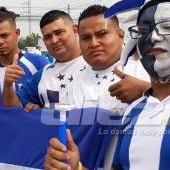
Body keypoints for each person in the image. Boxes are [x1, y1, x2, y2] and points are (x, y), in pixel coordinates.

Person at [45, 0, 170, 169]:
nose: (153, 37)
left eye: (169, 27)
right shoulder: (134, 111)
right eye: (144, 30)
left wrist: (144, 88)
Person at [43, 5, 150, 169]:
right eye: (86, 38)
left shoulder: (146, 70)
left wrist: (146, 91)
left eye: (102, 34)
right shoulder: (74, 83)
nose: (94, 43)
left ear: (120, 35)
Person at [2, 10, 87, 110]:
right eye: (48, 37)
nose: (54, 40)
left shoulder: (101, 66)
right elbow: (14, 110)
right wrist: (7, 85)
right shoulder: (43, 75)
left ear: (75, 30)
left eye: (59, 32)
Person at [0, 7, 49, 106]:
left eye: (5, 35)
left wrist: (39, 109)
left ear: (17, 33)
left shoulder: (39, 63)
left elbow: (54, 103)